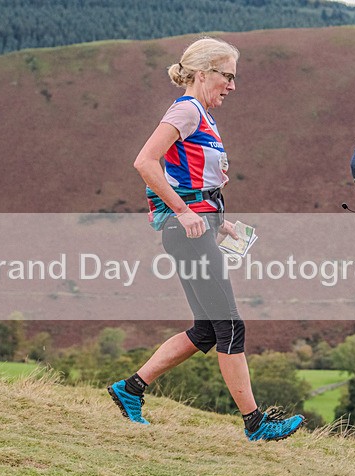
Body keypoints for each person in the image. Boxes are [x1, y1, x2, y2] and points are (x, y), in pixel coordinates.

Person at [108, 37, 304, 441]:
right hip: (186, 231)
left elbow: (195, 180)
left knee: (207, 331)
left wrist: (220, 223)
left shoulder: (203, 116)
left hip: (199, 228)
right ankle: (255, 423)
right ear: (203, 74)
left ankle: (130, 389)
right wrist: (183, 211)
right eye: (227, 76)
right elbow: (145, 161)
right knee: (231, 326)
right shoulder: (186, 110)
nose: (231, 86)